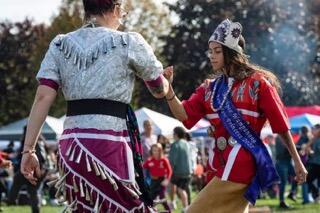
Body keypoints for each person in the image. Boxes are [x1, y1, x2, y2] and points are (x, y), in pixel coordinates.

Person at [19, 0, 171, 212]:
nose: (123, 17)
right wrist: (165, 82)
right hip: (109, 144)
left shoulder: (60, 44)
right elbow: (158, 89)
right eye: (123, 12)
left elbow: (43, 97)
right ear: (116, 9)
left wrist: (28, 150)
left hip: (72, 148)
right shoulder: (129, 42)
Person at [163, 19, 307, 212]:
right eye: (210, 51)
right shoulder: (209, 89)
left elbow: (281, 124)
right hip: (219, 163)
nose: (211, 56)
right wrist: (168, 89)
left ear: (232, 53)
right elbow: (184, 116)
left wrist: (297, 161)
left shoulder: (259, 84)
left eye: (217, 51)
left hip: (240, 163)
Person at [169, 127, 193, 213]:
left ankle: (185, 208)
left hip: (178, 172)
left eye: (173, 133)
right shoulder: (188, 144)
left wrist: (169, 172)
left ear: (176, 134)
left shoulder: (175, 145)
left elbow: (172, 161)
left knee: (180, 189)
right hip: (189, 171)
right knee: (181, 188)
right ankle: (176, 203)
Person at [143, 143, 172, 212]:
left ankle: (169, 211)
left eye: (158, 150)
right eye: (154, 150)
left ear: (161, 151)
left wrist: (167, 180)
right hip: (153, 181)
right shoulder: (149, 160)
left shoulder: (164, 160)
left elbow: (169, 171)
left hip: (162, 181)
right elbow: (143, 166)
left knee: (162, 196)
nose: (156, 152)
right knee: (151, 198)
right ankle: (152, 210)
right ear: (151, 151)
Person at [305, 124, 320, 203]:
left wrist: (310, 151)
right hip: (315, 163)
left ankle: (316, 195)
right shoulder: (314, 138)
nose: (312, 130)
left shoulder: (317, 139)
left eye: (314, 129)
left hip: (317, 163)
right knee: (311, 180)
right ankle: (316, 196)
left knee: (309, 179)